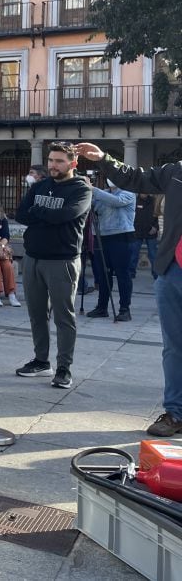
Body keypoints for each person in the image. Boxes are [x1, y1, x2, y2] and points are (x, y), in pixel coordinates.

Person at [74, 142, 182, 436]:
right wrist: (103, 159)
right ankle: (175, 413)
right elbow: (134, 177)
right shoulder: (176, 172)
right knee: (174, 348)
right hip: (173, 270)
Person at [14, 141, 92, 390]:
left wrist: (39, 213)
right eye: (50, 160)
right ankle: (41, 361)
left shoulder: (81, 189)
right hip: (32, 257)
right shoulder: (39, 185)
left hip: (62, 261)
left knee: (64, 317)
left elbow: (66, 216)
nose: (53, 165)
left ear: (73, 163)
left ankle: (63, 368)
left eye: (59, 161)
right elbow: (21, 214)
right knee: (36, 314)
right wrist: (44, 216)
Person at [87, 177, 136, 321]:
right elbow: (93, 206)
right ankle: (102, 307)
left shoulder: (128, 192)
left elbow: (116, 201)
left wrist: (93, 190)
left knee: (123, 275)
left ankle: (124, 309)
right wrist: (86, 193)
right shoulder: (102, 193)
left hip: (121, 237)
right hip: (101, 237)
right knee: (103, 275)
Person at [131, 193, 161, 280]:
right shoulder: (134, 200)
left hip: (151, 232)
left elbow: (158, 215)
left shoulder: (154, 201)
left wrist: (156, 227)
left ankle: (156, 274)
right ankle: (131, 272)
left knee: (153, 254)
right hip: (137, 232)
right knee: (134, 253)